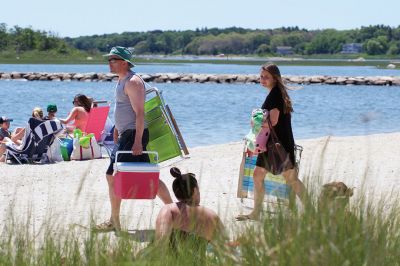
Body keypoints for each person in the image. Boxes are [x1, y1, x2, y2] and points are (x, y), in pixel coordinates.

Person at [96, 46, 173, 232]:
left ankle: (115, 221)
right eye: (109, 59)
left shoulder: (133, 81)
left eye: (113, 59)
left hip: (133, 135)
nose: (109, 63)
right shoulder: (122, 80)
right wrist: (116, 128)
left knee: (116, 175)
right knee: (144, 175)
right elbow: (125, 109)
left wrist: (138, 141)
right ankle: (174, 211)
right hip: (126, 133)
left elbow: (140, 113)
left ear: (124, 62)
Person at [237, 63, 306, 221]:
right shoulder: (277, 93)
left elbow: (273, 121)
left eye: (266, 77)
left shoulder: (275, 95)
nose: (262, 79)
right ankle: (256, 213)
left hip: (277, 145)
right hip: (276, 143)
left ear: (275, 78)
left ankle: (311, 210)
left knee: (290, 178)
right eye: (261, 76)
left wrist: (255, 123)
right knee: (258, 175)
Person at [155, 167, 225, 244]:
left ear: (176, 194)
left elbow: (160, 242)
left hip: (169, 255)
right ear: (195, 190)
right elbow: (224, 245)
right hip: (198, 255)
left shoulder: (168, 210)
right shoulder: (211, 215)